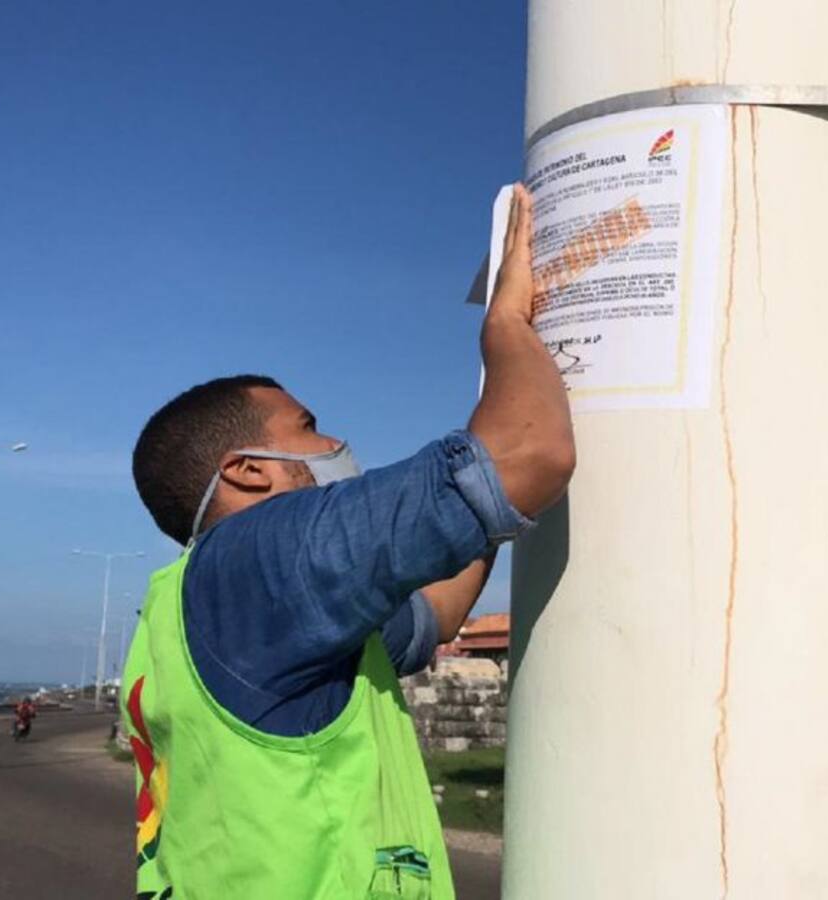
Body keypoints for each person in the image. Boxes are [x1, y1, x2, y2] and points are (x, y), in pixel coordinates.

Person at [121, 184, 573, 899]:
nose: (334, 442)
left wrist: (491, 468)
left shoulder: (225, 605)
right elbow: (531, 457)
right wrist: (506, 326)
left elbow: (436, 612)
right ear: (246, 472)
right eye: (308, 427)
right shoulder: (263, 561)